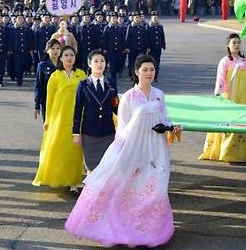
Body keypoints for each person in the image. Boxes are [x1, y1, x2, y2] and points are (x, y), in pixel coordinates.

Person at [65, 55, 181, 247]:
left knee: (155, 185)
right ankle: (125, 227)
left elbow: (165, 117)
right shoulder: (128, 97)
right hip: (133, 148)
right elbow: (123, 127)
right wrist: (140, 123)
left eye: (151, 69)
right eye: (144, 69)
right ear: (136, 72)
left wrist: (171, 126)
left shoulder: (159, 94)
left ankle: (151, 229)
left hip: (155, 147)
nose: (149, 73)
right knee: (130, 186)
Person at [32, 45, 87, 189]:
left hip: (77, 117)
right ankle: (58, 176)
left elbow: (88, 96)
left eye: (72, 55)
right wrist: (48, 119)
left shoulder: (81, 75)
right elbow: (49, 99)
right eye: (66, 55)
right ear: (61, 58)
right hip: (59, 117)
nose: (69, 58)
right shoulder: (55, 76)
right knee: (58, 146)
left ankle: (73, 180)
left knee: (74, 149)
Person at [199, 33, 246, 163]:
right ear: (228, 45)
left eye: (238, 42)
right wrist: (219, 95)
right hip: (229, 96)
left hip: (243, 97)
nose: (236, 45)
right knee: (228, 123)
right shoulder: (225, 61)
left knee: (242, 124)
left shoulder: (245, 61)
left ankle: (239, 154)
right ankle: (224, 152)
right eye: (233, 42)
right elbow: (220, 79)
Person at [72, 50, 120, 171]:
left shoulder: (111, 84)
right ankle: (91, 191)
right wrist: (76, 133)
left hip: (108, 132)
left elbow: (116, 107)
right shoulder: (83, 85)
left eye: (102, 61)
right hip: (89, 132)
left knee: (107, 167)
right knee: (91, 167)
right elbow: (77, 110)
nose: (99, 64)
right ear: (89, 64)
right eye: (96, 61)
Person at [34, 39, 62, 122]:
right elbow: (38, 85)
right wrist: (37, 105)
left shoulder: (64, 64)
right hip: (47, 99)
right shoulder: (42, 65)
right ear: (47, 50)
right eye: (52, 48)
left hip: (62, 100)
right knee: (48, 124)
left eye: (57, 48)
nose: (55, 51)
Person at [147, 11, 166, 80]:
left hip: (158, 47)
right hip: (151, 48)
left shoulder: (160, 27)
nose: (155, 19)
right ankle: (150, 76)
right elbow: (147, 38)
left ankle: (155, 76)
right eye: (154, 18)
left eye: (156, 18)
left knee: (157, 62)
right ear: (151, 18)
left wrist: (163, 45)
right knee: (151, 62)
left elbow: (162, 36)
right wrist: (148, 46)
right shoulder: (148, 27)